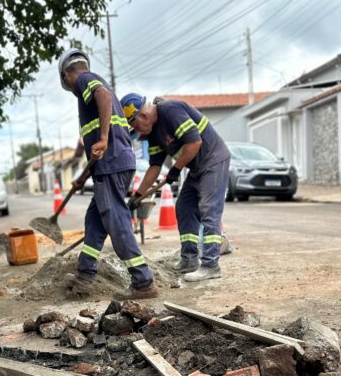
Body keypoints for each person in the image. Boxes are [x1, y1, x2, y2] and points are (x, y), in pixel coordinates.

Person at [58, 49, 158, 300]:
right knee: (95, 220)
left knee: (116, 220)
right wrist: (84, 176)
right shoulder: (89, 92)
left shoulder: (84, 79)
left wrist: (103, 138)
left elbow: (101, 96)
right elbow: (95, 149)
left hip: (113, 163)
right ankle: (85, 275)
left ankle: (143, 281)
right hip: (110, 164)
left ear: (66, 74)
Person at [120, 93, 230, 282]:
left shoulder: (170, 110)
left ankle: (211, 265)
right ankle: (189, 260)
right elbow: (154, 166)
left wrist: (175, 170)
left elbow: (195, 141)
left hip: (213, 161)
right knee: (184, 207)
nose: (136, 130)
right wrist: (136, 196)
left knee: (208, 210)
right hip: (196, 168)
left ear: (143, 116)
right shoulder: (152, 133)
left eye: (134, 125)